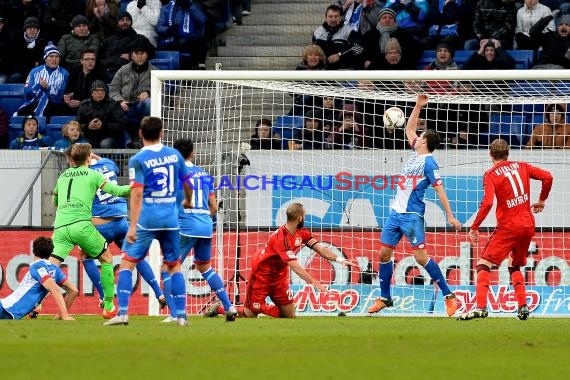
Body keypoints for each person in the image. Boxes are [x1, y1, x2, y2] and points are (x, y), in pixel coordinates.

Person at [368, 94, 462, 317]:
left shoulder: (429, 163)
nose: (416, 137)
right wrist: (418, 106)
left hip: (412, 216)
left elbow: (440, 189)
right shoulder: (414, 153)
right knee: (383, 254)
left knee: (420, 257)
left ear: (426, 142)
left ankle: (449, 295)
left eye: (420, 136)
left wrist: (450, 216)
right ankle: (385, 297)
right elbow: (409, 129)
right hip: (395, 213)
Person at [105, 116, 193, 326]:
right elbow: (187, 181)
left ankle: (123, 313)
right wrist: (188, 201)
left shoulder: (138, 159)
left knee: (127, 262)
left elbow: (136, 193)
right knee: (174, 266)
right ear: (162, 133)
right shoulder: (174, 155)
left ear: (140, 134)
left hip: (147, 220)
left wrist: (133, 225)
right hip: (171, 219)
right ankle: (180, 316)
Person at [458, 139, 553, 320]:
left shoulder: (491, 174)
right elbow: (548, 177)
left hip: (508, 227)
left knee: (483, 263)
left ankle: (480, 307)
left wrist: (475, 226)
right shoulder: (522, 166)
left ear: (490, 154)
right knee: (514, 264)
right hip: (527, 226)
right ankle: (523, 307)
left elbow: (487, 203)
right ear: (508, 153)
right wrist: (542, 200)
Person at [209, 203, 356, 319]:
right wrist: (313, 281)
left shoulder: (302, 233)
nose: (305, 218)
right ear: (300, 218)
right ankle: (221, 309)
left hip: (279, 277)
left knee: (289, 316)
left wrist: (339, 259)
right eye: (304, 215)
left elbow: (321, 249)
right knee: (250, 315)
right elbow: (295, 266)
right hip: (262, 276)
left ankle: (259, 307)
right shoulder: (281, 238)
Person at [161, 138, 238, 322]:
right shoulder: (204, 174)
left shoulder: (174, 174)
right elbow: (213, 205)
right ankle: (229, 307)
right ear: (192, 153)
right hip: (205, 225)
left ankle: (174, 314)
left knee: (167, 268)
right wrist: (204, 220)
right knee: (205, 267)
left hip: (186, 225)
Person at [50, 143, 131, 318]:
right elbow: (117, 191)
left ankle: (35, 306)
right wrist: (139, 187)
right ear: (89, 158)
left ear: (71, 160)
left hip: (60, 227)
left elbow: (54, 202)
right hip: (82, 226)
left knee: (48, 268)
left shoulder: (62, 176)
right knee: (107, 258)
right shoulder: (93, 174)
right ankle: (108, 306)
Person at [83, 153, 168, 316]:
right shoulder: (108, 163)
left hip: (101, 224)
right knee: (136, 257)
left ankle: (103, 297)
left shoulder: (85, 172)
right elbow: (105, 163)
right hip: (121, 221)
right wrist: (94, 155)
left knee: (85, 256)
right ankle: (159, 292)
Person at [0, 236, 78, 321]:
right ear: (51, 252)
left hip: (5, 309)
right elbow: (74, 291)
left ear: (34, 250)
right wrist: (62, 315)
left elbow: (54, 289)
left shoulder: (36, 266)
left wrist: (64, 315)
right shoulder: (55, 270)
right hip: (5, 310)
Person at [17, 43, 69, 117]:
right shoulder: (34, 71)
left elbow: (61, 96)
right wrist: (39, 86)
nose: (54, 59)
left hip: (55, 104)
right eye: (51, 56)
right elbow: (27, 92)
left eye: (57, 57)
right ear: (45, 58)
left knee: (49, 112)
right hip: (35, 102)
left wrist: (48, 88)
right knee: (22, 113)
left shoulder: (65, 74)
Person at [77, 79, 127, 148]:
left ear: (105, 93)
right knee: (82, 144)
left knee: (105, 144)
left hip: (107, 137)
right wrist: (88, 126)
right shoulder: (83, 105)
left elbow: (120, 125)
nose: (100, 93)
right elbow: (77, 125)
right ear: (92, 93)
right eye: (97, 91)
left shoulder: (113, 104)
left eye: (102, 91)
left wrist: (103, 125)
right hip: (88, 137)